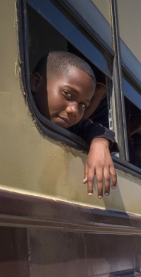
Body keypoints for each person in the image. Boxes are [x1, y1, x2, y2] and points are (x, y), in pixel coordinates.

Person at [30, 51, 118, 199]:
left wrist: (100, 144)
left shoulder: (70, 126)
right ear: (36, 83)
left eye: (83, 104)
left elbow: (94, 128)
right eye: (68, 94)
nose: (74, 111)